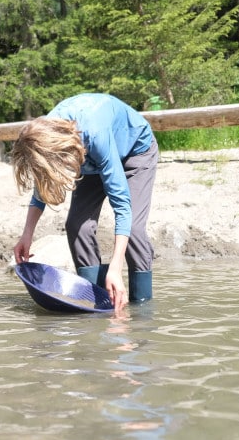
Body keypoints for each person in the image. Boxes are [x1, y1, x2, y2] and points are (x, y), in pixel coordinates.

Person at [11, 93, 158, 310]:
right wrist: (27, 235)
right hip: (85, 155)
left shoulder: (94, 133)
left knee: (134, 230)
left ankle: (141, 305)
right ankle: (95, 299)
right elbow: (41, 187)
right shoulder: (44, 135)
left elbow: (122, 206)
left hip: (134, 151)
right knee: (77, 226)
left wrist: (115, 269)